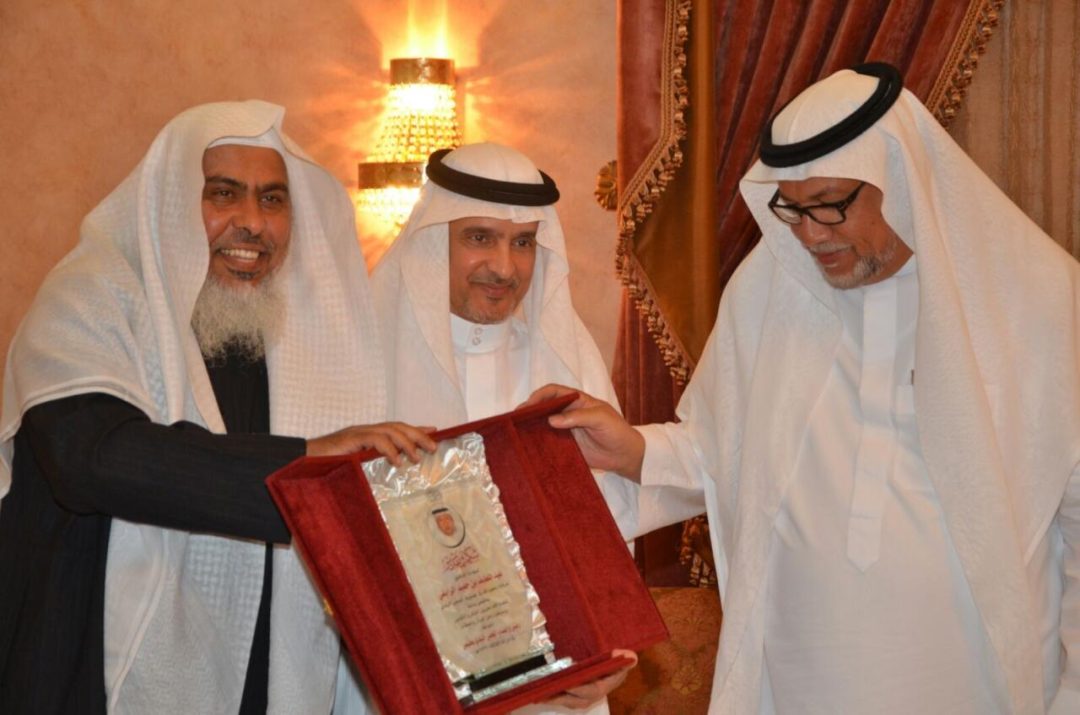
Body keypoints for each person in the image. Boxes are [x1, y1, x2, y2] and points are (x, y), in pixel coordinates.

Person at [527, 64, 1080, 714]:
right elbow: (727, 452)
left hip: (972, 681)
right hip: (799, 678)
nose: (811, 234)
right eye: (792, 208)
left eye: (831, 205)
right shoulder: (767, 293)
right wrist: (636, 450)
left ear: (898, 177)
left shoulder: (1037, 301)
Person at [0, 100, 435, 714]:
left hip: (262, 671)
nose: (252, 223)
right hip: (87, 659)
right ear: (173, 202)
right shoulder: (91, 297)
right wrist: (305, 463)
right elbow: (94, 458)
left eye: (272, 200)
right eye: (223, 194)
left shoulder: (292, 329)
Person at [334, 142, 677, 713]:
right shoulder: (361, 358)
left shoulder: (565, 360)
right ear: (434, 239)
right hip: (403, 685)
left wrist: (609, 652)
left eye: (522, 243)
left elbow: (606, 523)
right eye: (479, 238)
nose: (505, 267)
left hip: (555, 688)